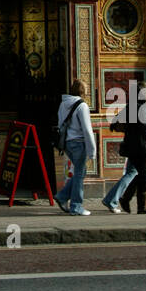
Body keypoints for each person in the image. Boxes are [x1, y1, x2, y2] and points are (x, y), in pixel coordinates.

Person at [115, 83, 146, 215]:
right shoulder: (141, 108)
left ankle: (127, 199)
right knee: (144, 175)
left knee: (141, 175)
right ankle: (140, 206)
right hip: (143, 148)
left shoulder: (130, 107)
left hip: (131, 147)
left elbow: (115, 122)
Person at [54, 79, 96, 216]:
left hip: (67, 142)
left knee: (79, 172)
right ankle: (76, 206)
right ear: (83, 91)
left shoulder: (63, 103)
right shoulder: (82, 106)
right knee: (79, 173)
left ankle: (62, 196)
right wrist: (92, 150)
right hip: (78, 143)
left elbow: (61, 124)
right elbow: (87, 129)